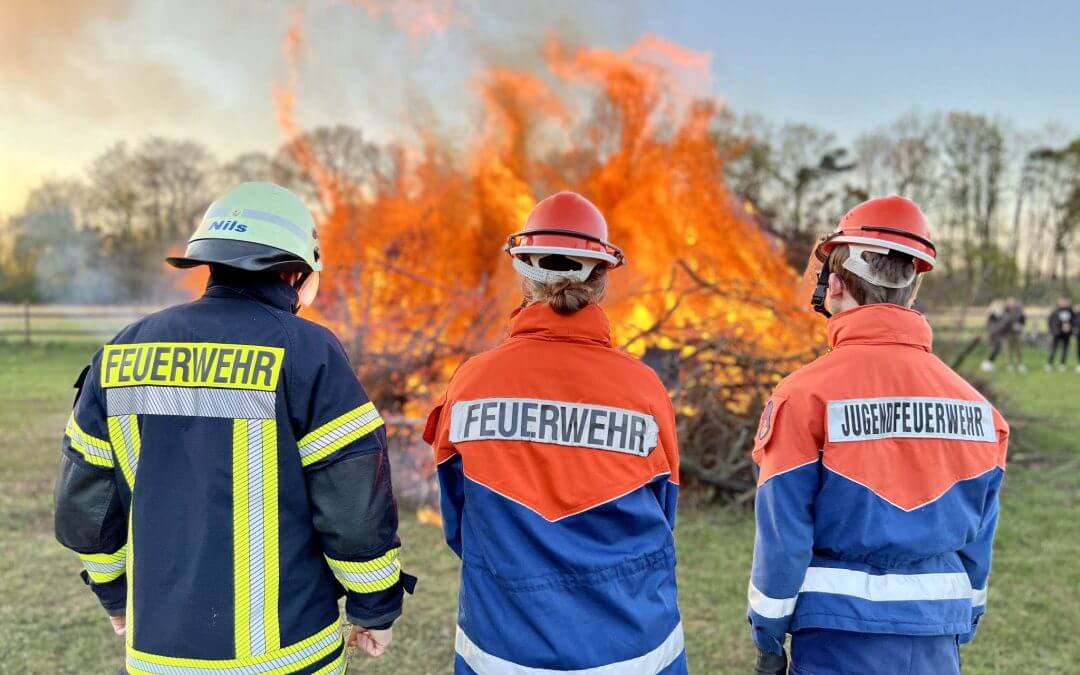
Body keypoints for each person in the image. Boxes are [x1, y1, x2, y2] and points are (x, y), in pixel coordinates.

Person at [54, 182, 414, 675]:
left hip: (157, 654)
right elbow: (353, 504)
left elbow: (83, 506)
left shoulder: (123, 349)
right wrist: (375, 608)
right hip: (289, 654)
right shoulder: (309, 350)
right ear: (294, 271)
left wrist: (116, 596)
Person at [424, 191, 686, 674]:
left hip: (504, 646)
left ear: (524, 273)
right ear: (602, 277)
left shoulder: (472, 380)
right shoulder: (644, 387)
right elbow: (663, 511)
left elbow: (459, 521)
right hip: (634, 649)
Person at [749, 196, 1009, 675]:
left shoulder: (803, 396)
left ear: (837, 284)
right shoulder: (979, 409)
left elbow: (783, 534)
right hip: (937, 633)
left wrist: (768, 632)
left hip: (837, 636)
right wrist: (963, 613)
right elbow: (980, 537)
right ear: (912, 287)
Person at [1046, 297, 1075, 371]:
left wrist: (1070, 326)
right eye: (1062, 302)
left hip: (1067, 334)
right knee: (1053, 349)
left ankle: (1062, 364)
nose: (1064, 303)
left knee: (1065, 349)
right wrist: (1056, 329)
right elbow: (1051, 321)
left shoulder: (1071, 311)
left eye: (1066, 302)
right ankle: (1049, 364)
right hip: (1057, 334)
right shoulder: (1056, 311)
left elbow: (1075, 321)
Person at [980, 299, 1008, 372]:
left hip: (997, 334)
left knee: (997, 348)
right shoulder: (993, 315)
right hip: (994, 334)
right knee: (995, 348)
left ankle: (990, 363)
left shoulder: (998, 314)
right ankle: (988, 363)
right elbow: (993, 325)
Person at [1002, 296, 1027, 372]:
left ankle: (1020, 364)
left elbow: (1023, 319)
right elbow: (1002, 322)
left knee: (1019, 349)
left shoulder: (1019, 310)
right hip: (1008, 333)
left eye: (1012, 301)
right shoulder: (1005, 311)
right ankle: (1009, 364)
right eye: (1009, 301)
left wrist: (1020, 326)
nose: (1011, 303)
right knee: (1008, 349)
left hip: (1018, 332)